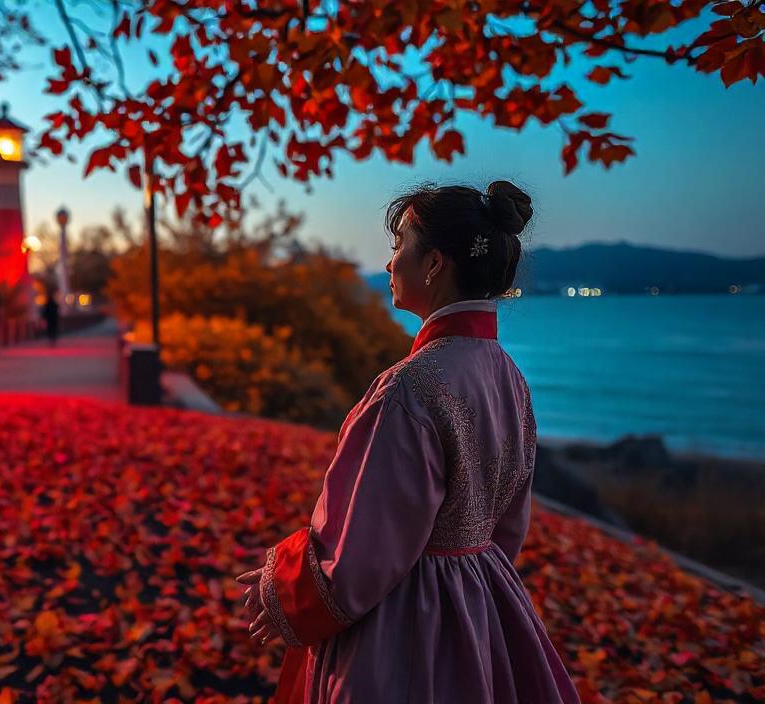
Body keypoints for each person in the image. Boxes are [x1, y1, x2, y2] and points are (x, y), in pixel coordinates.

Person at [236, 181, 578, 703]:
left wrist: (282, 590)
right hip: (483, 607)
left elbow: (360, 558)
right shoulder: (508, 377)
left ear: (435, 263)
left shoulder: (410, 388)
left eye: (399, 245)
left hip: (405, 624)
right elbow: (508, 527)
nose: (391, 262)